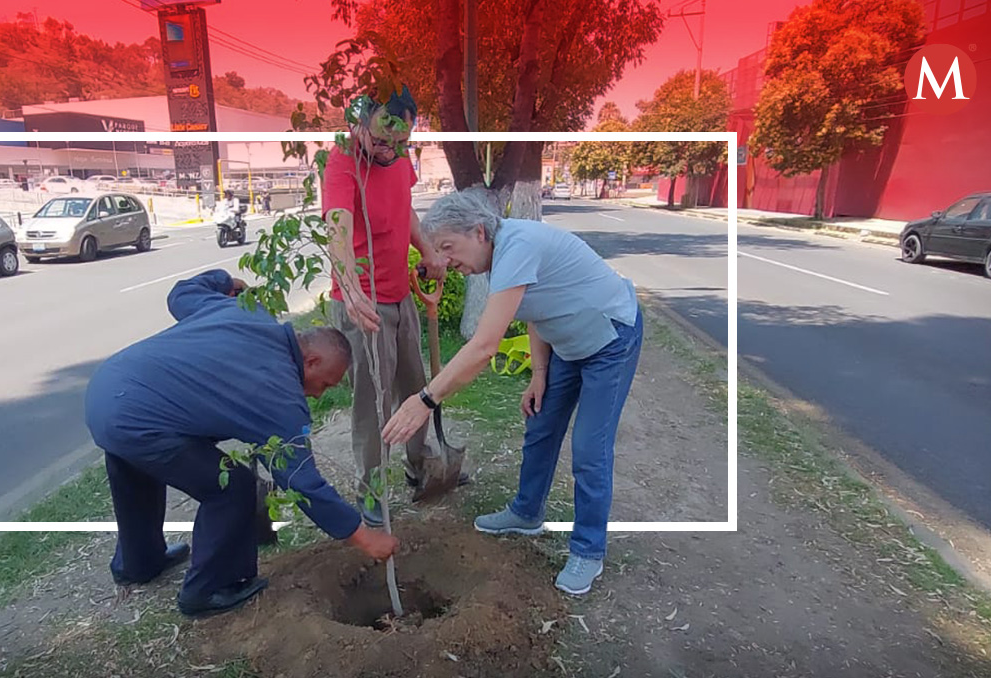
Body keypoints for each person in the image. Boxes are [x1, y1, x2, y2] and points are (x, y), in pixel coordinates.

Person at [84, 269, 398, 619]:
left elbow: (181, 294)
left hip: (108, 391)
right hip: (136, 415)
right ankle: (207, 589)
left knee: (136, 467)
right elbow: (301, 482)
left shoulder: (248, 311)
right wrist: (362, 537)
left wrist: (225, 282)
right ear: (310, 360)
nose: (316, 394)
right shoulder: (281, 395)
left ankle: (138, 563)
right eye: (324, 383)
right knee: (233, 488)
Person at [382, 188, 644, 596]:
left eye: (448, 246)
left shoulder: (518, 245)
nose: (445, 259)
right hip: (569, 347)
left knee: (591, 450)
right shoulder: (500, 258)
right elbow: (536, 309)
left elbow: (485, 347)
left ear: (480, 231)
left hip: (611, 340)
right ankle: (526, 513)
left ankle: (589, 551)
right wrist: (539, 373)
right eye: (439, 250)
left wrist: (425, 399)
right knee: (540, 425)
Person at [321, 85, 452, 526]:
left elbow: (405, 208)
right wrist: (349, 283)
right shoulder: (341, 163)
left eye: (401, 143)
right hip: (364, 307)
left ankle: (422, 467)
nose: (390, 151)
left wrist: (428, 249)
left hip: (401, 296)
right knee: (373, 403)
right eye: (381, 140)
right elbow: (337, 225)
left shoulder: (397, 161)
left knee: (417, 388)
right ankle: (371, 489)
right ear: (359, 122)